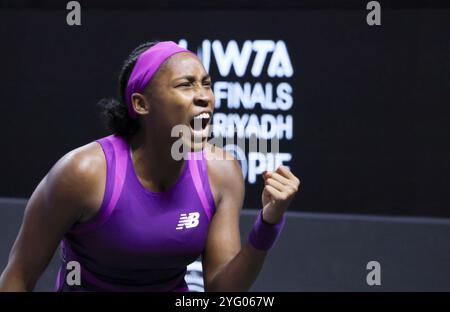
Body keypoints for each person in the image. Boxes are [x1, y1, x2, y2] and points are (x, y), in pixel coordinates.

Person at [0, 41, 300, 292]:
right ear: (141, 104)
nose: (204, 96)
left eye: (206, 84)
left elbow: (222, 291)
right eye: (186, 85)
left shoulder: (221, 171)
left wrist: (268, 223)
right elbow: (19, 276)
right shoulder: (83, 173)